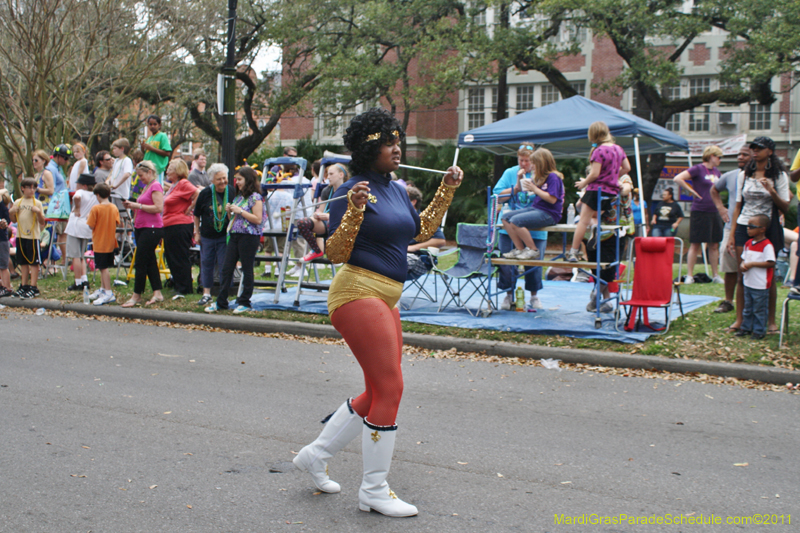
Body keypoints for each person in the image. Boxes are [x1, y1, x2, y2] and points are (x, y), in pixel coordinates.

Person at [292, 108, 462, 518]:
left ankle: (316, 455)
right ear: (370, 150)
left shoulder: (397, 189)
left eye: (397, 141)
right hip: (357, 291)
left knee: (377, 391)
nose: (397, 148)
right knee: (391, 388)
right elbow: (335, 252)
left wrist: (446, 190)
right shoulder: (354, 189)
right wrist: (353, 209)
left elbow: (420, 230)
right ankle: (373, 490)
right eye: (388, 143)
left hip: (387, 296)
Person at [726, 136, 790, 334]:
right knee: (742, 272)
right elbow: (738, 206)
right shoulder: (744, 174)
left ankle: (770, 321)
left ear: (770, 151)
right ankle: (740, 320)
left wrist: (771, 190)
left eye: (759, 148)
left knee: (768, 275)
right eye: (753, 148)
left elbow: (785, 206)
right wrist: (732, 234)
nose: (755, 151)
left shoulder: (779, 175)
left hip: (768, 227)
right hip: (744, 225)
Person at [492, 145, 550, 310]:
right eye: (521, 160)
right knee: (507, 262)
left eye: (527, 160)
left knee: (534, 263)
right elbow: (497, 196)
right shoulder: (510, 173)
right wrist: (516, 188)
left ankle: (534, 296)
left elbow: (550, 198)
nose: (524, 164)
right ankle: (509, 294)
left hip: (535, 228)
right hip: (509, 228)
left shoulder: (542, 174)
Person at [567, 121, 631, 262]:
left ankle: (573, 251)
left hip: (596, 190)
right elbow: (627, 168)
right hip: (611, 192)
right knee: (595, 216)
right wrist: (613, 177)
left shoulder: (599, 151)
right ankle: (596, 227)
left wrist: (584, 182)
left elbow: (595, 173)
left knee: (583, 221)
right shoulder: (618, 149)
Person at [205, 166, 264, 314]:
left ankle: (245, 301)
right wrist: (230, 212)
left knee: (247, 268)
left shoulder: (256, 197)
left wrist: (241, 211)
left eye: (239, 179)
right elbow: (235, 219)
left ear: (248, 180)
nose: (236, 182)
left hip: (249, 236)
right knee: (227, 268)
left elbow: (258, 219)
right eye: (236, 179)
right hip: (235, 234)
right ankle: (221, 301)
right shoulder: (239, 197)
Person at [674, 145, 724, 284]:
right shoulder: (698, 169)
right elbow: (678, 178)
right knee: (695, 243)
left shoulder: (717, 172)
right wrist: (692, 191)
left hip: (714, 210)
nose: (720, 160)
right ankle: (690, 275)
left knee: (714, 244)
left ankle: (715, 275)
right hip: (700, 210)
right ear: (711, 156)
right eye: (719, 157)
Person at [710, 146, 752, 313]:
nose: (740, 157)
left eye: (745, 155)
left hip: (754, 229)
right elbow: (714, 190)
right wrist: (721, 208)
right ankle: (728, 301)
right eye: (739, 154)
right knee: (730, 266)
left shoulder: (761, 176)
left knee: (750, 267)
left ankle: (749, 302)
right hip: (731, 227)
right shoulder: (730, 175)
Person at [502, 147, 564, 259]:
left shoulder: (553, 177)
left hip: (549, 213)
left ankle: (532, 249)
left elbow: (552, 199)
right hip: (537, 209)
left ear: (541, 163)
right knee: (505, 218)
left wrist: (535, 189)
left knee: (516, 221)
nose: (532, 166)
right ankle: (520, 249)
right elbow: (521, 189)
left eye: (534, 163)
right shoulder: (540, 177)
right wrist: (520, 178)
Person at [121, 161, 165, 307]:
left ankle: (137, 295)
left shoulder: (155, 186)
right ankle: (157, 292)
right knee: (150, 260)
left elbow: (158, 207)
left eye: (141, 176)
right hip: (141, 227)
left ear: (149, 172)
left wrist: (137, 205)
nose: (140, 179)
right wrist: (132, 205)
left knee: (140, 261)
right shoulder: (146, 187)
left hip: (151, 228)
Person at [193, 163, 232, 307]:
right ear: (212, 180)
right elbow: (196, 214)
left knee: (224, 265)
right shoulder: (205, 193)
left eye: (224, 178)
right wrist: (197, 233)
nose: (222, 182)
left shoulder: (231, 191)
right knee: (206, 264)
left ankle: (224, 294)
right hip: (207, 235)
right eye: (218, 179)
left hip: (224, 236)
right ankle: (206, 294)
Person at [294, 163, 350, 263]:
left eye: (331, 174)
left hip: (343, 225)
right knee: (302, 222)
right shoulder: (326, 190)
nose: (328, 177)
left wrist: (329, 216)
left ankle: (337, 254)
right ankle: (316, 251)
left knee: (332, 222)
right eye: (327, 174)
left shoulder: (349, 191)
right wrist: (318, 215)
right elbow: (321, 210)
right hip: (328, 223)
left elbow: (350, 215)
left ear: (341, 175)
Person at [162, 158, 199, 299]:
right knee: (171, 257)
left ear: (178, 171)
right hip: (169, 224)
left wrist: (190, 208)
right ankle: (178, 284)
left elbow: (197, 193)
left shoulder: (183, 183)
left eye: (170, 169)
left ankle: (185, 287)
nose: (167, 171)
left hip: (180, 224)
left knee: (179, 256)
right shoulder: (174, 185)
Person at [734, 214, 775, 340]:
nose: (748, 229)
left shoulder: (767, 245)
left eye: (751, 226)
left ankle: (759, 331)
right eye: (747, 226)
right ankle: (746, 328)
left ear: (762, 229)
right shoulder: (748, 243)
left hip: (760, 284)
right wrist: (743, 264)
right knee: (748, 308)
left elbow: (771, 263)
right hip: (748, 282)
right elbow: (744, 258)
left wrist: (752, 264)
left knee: (759, 309)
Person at [9, 178, 45, 299]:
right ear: (23, 188)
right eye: (29, 187)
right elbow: (14, 220)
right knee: (23, 261)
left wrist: (38, 212)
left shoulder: (37, 203)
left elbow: (42, 221)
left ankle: (33, 287)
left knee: (33, 262)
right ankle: (24, 285)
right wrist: (11, 212)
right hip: (21, 236)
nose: (32, 190)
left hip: (33, 237)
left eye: (34, 188)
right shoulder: (18, 202)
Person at [86, 183, 121, 306]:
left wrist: (88, 217)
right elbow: (117, 223)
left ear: (98, 195)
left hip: (100, 242)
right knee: (103, 267)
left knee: (103, 268)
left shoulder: (96, 208)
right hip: (110, 241)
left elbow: (91, 226)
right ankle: (103, 289)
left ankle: (108, 292)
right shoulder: (114, 207)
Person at [64, 173, 99, 291]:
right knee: (81, 256)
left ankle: (78, 281)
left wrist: (77, 208)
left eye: (78, 184)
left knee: (75, 256)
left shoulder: (80, 192)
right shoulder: (95, 196)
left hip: (75, 225)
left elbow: (76, 197)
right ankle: (84, 279)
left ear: (84, 185)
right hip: (86, 226)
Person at [405, 185, 446, 280]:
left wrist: (413, 248)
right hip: (397, 255)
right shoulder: (398, 217)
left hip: (418, 259)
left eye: (402, 199)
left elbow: (440, 241)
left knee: (391, 262)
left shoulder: (424, 220)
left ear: (413, 202)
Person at [140, 115, 172, 184]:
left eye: (155, 124)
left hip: (157, 169)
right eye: (150, 124)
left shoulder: (162, 136)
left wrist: (151, 148)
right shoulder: (149, 138)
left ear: (159, 125)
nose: (152, 126)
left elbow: (167, 153)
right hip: (148, 169)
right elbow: (147, 153)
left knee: (156, 187)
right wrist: (142, 148)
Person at [107, 138, 133, 210]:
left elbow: (127, 174)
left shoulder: (127, 160)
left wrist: (117, 185)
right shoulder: (116, 161)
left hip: (121, 194)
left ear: (122, 149)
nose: (113, 151)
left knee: (123, 212)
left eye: (115, 148)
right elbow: (112, 174)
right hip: (114, 193)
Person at [0, 187, 11, 297]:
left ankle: (7, 288)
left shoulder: (2, 207)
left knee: (3, 266)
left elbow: (7, 219)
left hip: (1, 240)